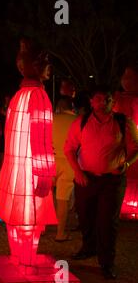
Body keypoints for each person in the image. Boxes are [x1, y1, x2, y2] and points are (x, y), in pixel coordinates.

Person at [0, 38, 57, 273]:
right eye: (45, 62)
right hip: (31, 173)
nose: (50, 66)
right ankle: (27, 261)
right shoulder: (39, 97)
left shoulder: (17, 97)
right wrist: (46, 173)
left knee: (16, 216)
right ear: (36, 66)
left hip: (14, 169)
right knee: (31, 219)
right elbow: (41, 141)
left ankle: (18, 257)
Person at [64, 85, 138, 279]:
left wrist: (126, 164)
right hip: (86, 177)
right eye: (98, 99)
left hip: (111, 180)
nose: (103, 102)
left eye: (107, 99)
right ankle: (89, 247)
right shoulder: (81, 122)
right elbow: (69, 149)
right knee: (85, 216)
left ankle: (107, 262)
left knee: (107, 221)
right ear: (91, 101)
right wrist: (78, 172)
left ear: (112, 101)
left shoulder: (122, 122)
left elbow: (135, 148)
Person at [113, 65, 138, 220]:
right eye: (125, 76)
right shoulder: (118, 99)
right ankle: (125, 205)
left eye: (131, 77)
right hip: (122, 144)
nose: (126, 80)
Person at [52, 96, 77, 241]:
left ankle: (41, 228)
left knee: (46, 196)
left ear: (58, 107)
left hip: (50, 160)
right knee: (63, 199)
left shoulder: (51, 118)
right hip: (69, 162)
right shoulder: (76, 121)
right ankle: (60, 233)